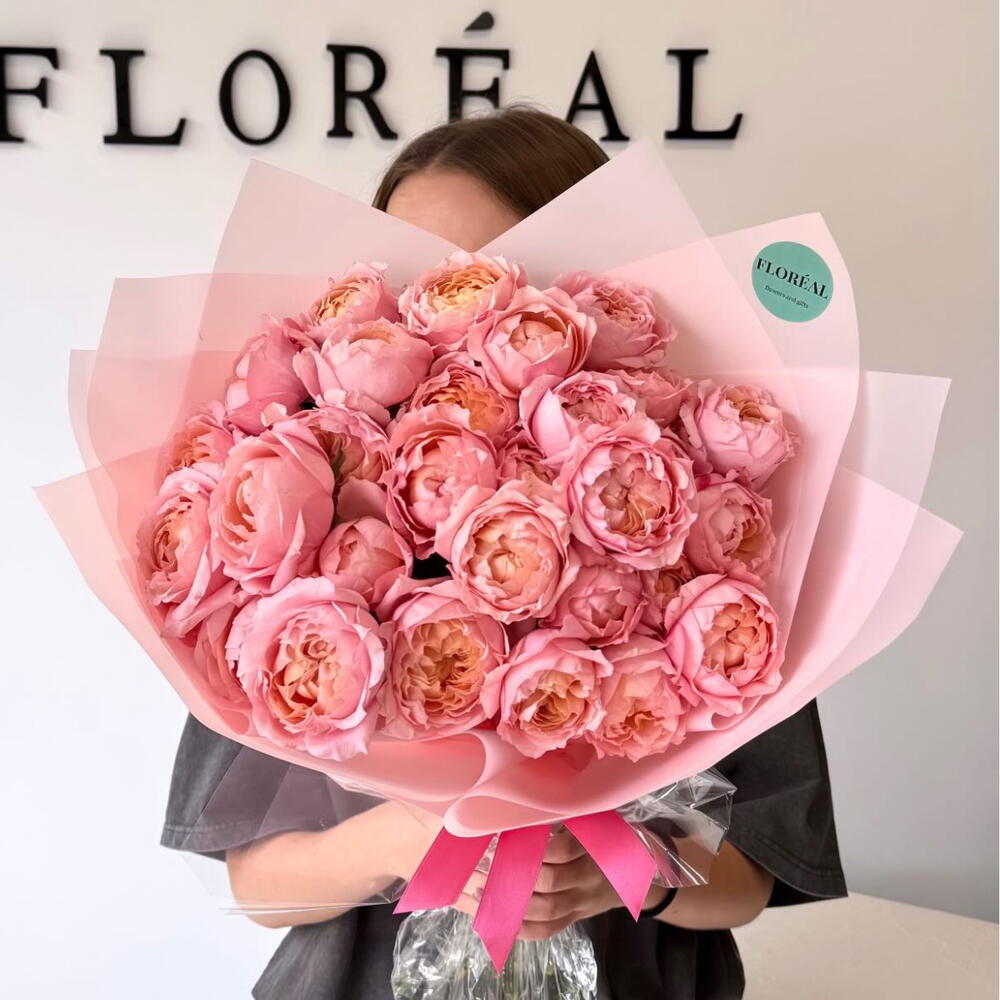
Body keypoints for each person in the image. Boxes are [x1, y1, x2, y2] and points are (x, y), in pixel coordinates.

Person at [161, 105, 847, 1000]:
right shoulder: (298, 540)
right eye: (420, 275)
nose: (449, 305)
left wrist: (630, 868)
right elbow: (256, 885)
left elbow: (752, 879)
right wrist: (400, 839)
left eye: (485, 271)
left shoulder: (706, 533)